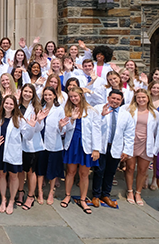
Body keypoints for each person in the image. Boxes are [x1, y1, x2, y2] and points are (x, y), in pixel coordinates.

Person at [91, 90, 134, 208]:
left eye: (118, 99)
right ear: (108, 98)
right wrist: (101, 116)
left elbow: (129, 134)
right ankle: (95, 195)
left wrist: (127, 150)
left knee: (110, 172)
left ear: (121, 101)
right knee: (99, 171)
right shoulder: (99, 108)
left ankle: (106, 194)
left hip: (116, 147)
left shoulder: (126, 114)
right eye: (113, 98)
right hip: (101, 147)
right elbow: (93, 127)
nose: (115, 101)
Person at [61, 87, 101, 215]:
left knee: (84, 173)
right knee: (70, 171)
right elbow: (64, 129)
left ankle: (83, 199)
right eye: (71, 97)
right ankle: (67, 195)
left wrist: (96, 149)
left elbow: (96, 130)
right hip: (72, 142)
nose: (73, 99)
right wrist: (72, 119)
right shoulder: (67, 109)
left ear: (81, 96)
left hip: (86, 145)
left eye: (75, 96)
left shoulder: (91, 111)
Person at [0, 95, 36, 214]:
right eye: (6, 103)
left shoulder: (19, 119)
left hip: (13, 152)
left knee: (13, 176)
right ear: (3, 104)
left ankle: (12, 200)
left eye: (11, 104)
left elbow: (28, 137)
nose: (8, 106)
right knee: (1, 175)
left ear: (15, 106)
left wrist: (31, 127)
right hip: (0, 150)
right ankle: (3, 199)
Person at [125, 89, 159, 206]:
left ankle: (138, 192)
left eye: (143, 97)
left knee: (142, 170)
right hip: (132, 143)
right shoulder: (129, 110)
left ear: (148, 98)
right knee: (130, 168)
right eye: (138, 97)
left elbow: (157, 132)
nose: (141, 100)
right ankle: (130, 191)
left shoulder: (155, 113)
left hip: (146, 144)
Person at [35, 87, 67, 205]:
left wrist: (61, 126)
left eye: (50, 95)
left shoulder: (59, 110)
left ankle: (50, 193)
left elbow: (62, 130)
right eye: (45, 95)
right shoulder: (39, 108)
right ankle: (39, 192)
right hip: (41, 143)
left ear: (54, 96)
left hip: (54, 144)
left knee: (53, 170)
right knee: (40, 169)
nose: (47, 97)